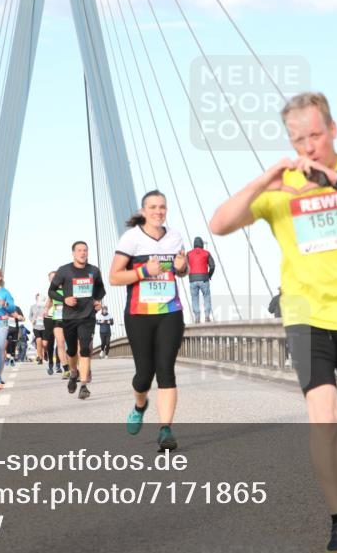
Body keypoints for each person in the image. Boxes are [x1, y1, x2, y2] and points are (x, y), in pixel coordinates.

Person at [209, 91, 337, 553]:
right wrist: (266, 180)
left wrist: (335, 179)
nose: (309, 147)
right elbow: (219, 224)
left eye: (315, 136)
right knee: (322, 414)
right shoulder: (280, 189)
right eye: (299, 140)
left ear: (332, 130)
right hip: (305, 316)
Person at [110, 191, 188, 449]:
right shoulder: (132, 238)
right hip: (139, 314)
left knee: (166, 369)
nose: (158, 211)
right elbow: (115, 277)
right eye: (153, 207)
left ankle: (165, 430)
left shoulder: (174, 236)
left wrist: (181, 267)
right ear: (143, 211)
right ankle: (139, 405)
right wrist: (144, 270)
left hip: (170, 312)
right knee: (144, 375)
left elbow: (182, 271)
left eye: (162, 207)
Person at [50, 242, 106, 400]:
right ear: (73, 253)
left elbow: (101, 290)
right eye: (79, 250)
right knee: (72, 350)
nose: (82, 253)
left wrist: (97, 300)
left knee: (85, 349)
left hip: (87, 316)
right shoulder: (64, 270)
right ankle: (73, 372)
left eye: (85, 250)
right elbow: (51, 291)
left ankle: (83, 386)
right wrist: (64, 299)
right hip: (69, 317)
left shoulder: (94, 271)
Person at [44, 271, 68, 377]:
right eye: (51, 279)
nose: (53, 280)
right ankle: (59, 366)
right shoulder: (51, 291)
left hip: (68, 318)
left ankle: (66, 365)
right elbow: (49, 302)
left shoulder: (67, 287)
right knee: (57, 343)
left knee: (67, 344)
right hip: (55, 318)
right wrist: (46, 310)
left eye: (55, 278)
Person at [187, 236, 216, 323]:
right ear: (202, 244)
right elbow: (212, 266)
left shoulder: (188, 254)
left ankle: (197, 318)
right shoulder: (206, 253)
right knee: (206, 296)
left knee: (194, 298)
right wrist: (209, 275)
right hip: (204, 278)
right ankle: (207, 316)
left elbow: (184, 266)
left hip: (193, 279)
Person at [29, 293, 46, 364]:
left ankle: (45, 353)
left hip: (45, 327)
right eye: (37, 298)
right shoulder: (33, 307)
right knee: (38, 341)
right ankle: (40, 358)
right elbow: (30, 316)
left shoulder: (45, 306)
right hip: (36, 327)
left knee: (44, 344)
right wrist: (32, 320)